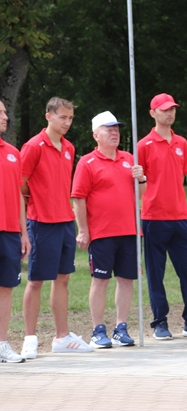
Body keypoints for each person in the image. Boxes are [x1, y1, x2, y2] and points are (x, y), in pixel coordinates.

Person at [139, 94, 187, 339]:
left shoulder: (182, 143)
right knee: (156, 273)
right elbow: (139, 183)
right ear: (153, 113)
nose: (169, 114)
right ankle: (159, 322)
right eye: (164, 110)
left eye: (172, 109)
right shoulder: (144, 145)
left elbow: (182, 175)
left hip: (181, 217)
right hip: (153, 216)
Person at [19, 97, 92, 356]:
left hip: (64, 221)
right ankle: (30, 338)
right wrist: (34, 203)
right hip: (41, 222)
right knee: (36, 280)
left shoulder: (69, 147)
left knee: (63, 279)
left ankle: (62, 337)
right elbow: (21, 183)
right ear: (48, 115)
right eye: (63, 117)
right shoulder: (33, 146)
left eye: (70, 118)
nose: (67, 123)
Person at [72, 111, 145, 349]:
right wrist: (83, 230)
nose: (114, 132)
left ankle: (121, 327)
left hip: (129, 230)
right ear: (96, 134)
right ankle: (97, 329)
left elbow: (139, 197)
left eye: (116, 128)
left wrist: (141, 179)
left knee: (126, 280)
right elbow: (79, 198)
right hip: (102, 232)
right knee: (101, 280)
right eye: (108, 128)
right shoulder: (87, 162)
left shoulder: (128, 159)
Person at [0, 100, 30, 363]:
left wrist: (23, 232)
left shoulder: (13, 152)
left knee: (6, 288)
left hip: (9, 231)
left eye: (5, 112)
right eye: (0, 113)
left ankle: (1, 344)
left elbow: (20, 196)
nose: (5, 117)